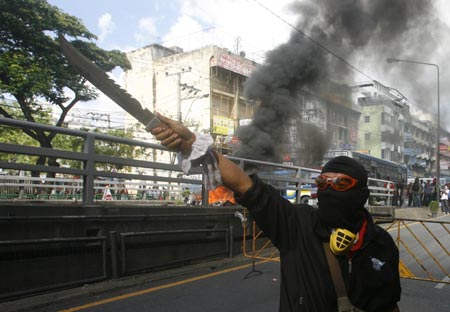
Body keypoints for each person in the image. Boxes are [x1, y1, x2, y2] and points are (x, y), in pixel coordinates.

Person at [150, 113, 401, 312]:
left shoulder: (381, 243)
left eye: (341, 184)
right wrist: (193, 144)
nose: (329, 190)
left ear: (361, 195)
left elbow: (389, 305)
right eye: (323, 183)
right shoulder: (297, 224)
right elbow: (246, 185)